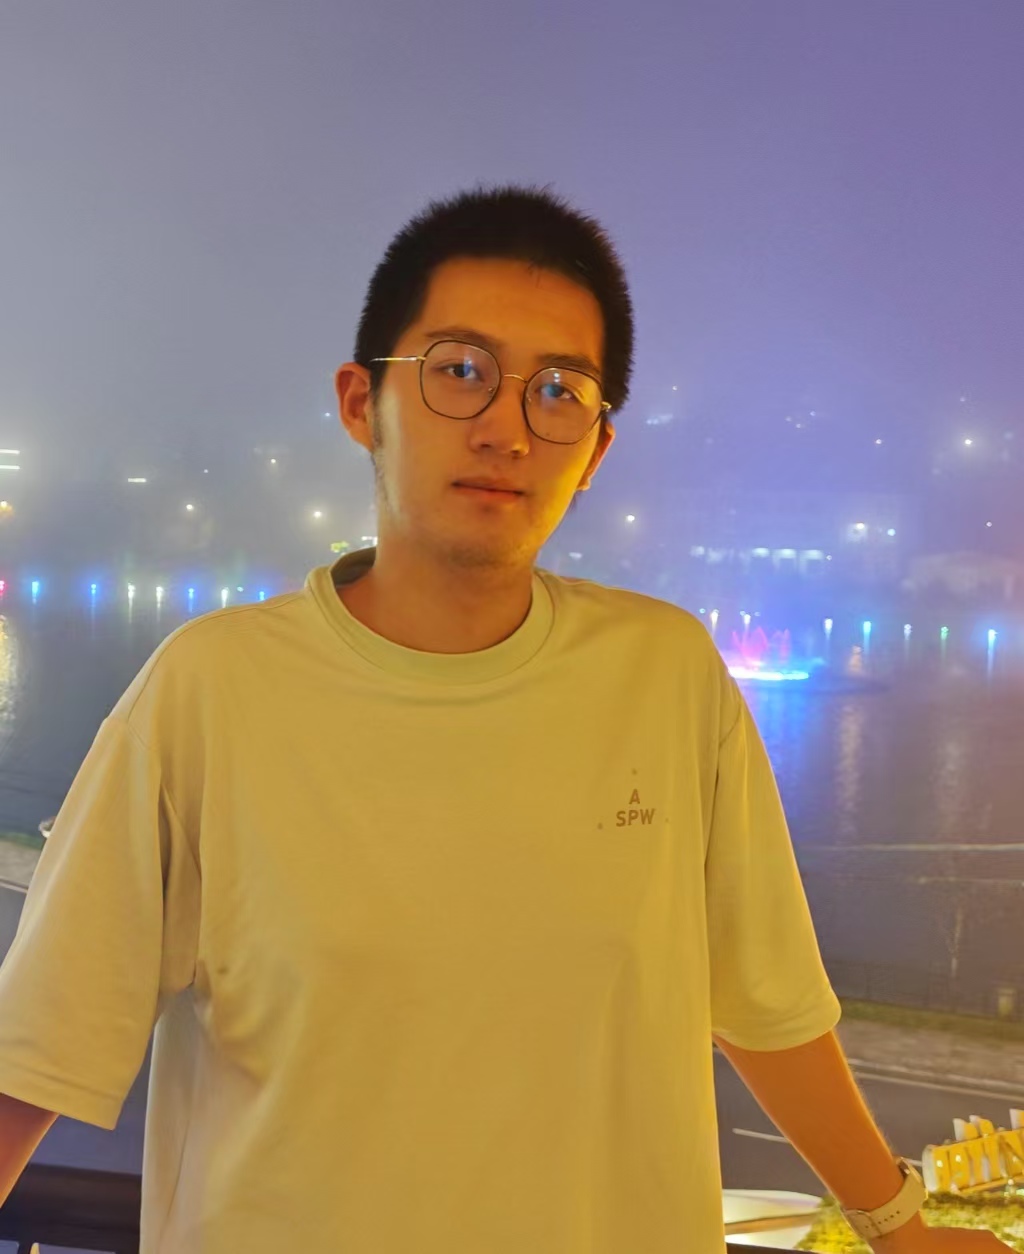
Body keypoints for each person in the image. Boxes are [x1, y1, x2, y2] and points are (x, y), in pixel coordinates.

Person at [0, 186, 1008, 1253]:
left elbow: (768, 1003)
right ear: (361, 402)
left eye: (559, 391)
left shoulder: (665, 676)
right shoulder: (212, 690)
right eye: (460, 371)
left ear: (596, 449)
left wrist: (898, 1226)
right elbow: (37, 1050)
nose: (506, 429)